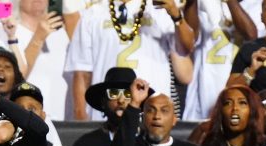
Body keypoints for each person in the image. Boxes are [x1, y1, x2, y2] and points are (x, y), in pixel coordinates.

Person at [66, 0, 195, 121]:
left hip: (151, 115)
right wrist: (81, 118)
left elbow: (185, 49)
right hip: (107, 113)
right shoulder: (93, 14)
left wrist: (177, 16)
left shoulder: (160, 10)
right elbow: (82, 73)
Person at [182, 0, 260, 120]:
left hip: (240, 92)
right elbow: (190, 37)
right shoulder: (204, 3)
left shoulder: (258, 5)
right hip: (202, 96)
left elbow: (251, 35)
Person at [16, 0, 70, 121]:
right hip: (29, 120)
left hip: (63, 119)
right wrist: (38, 37)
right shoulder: (9, 30)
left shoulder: (62, 33)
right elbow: (16, 77)